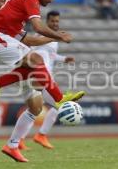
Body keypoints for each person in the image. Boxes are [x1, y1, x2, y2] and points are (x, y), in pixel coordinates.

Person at [0, 0, 85, 162]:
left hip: (2, 40)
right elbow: (37, 27)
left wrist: (54, 38)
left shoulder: (16, 14)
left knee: (35, 107)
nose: (51, 0)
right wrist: (59, 36)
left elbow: (29, 39)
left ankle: (12, 145)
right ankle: (58, 98)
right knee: (35, 58)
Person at [19, 10, 76, 150]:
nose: (55, 23)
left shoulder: (52, 39)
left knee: (34, 110)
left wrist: (63, 59)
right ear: (47, 21)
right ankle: (41, 135)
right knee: (60, 104)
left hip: (42, 78)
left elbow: (51, 55)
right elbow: (32, 50)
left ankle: (19, 140)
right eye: (53, 21)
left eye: (57, 21)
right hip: (41, 78)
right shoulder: (41, 36)